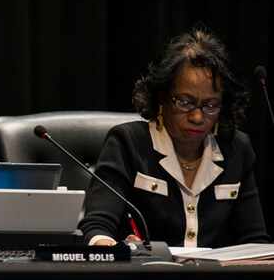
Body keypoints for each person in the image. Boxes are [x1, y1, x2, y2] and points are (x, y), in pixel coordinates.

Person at [80, 27, 269, 248]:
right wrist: (114, 250)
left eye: (210, 105)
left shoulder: (237, 149)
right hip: (146, 278)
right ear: (162, 96)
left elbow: (254, 240)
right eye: (185, 102)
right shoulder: (128, 143)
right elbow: (97, 226)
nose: (198, 117)